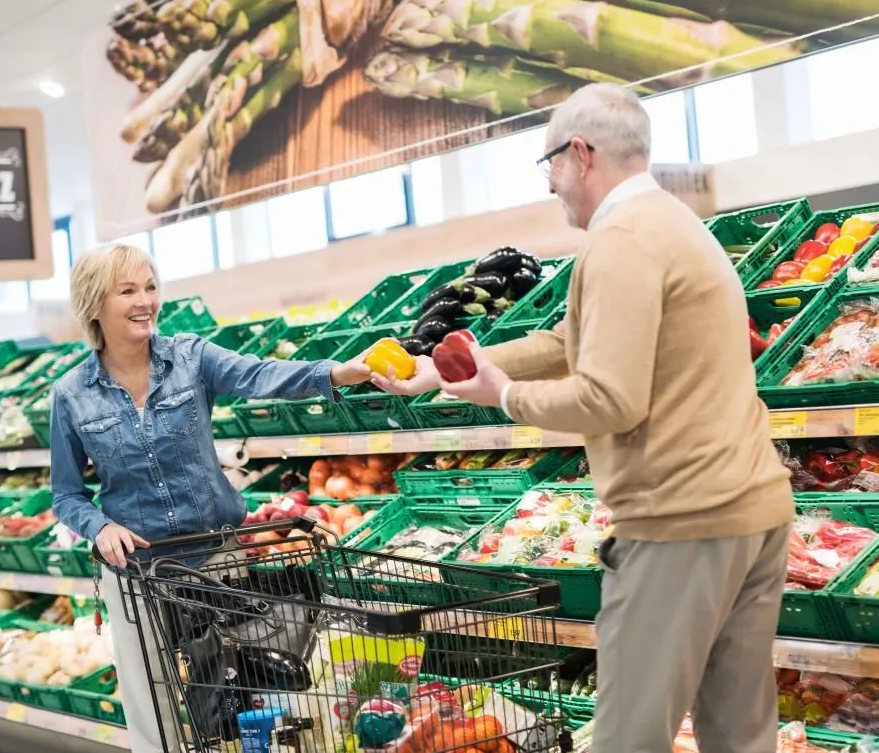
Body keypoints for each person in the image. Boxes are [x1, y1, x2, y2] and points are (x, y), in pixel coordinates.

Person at [374, 84, 794, 752]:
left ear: (578, 153)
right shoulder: (672, 223)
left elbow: (609, 399)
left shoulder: (620, 241)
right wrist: (445, 369)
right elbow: (571, 341)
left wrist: (504, 396)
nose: (550, 187)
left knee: (629, 737)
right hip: (753, 510)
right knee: (738, 733)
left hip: (681, 523)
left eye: (548, 166)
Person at [50, 243, 370, 753]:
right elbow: (67, 494)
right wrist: (100, 527)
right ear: (94, 305)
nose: (144, 301)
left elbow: (259, 374)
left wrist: (336, 373)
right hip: (139, 569)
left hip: (215, 554)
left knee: (232, 689)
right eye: (127, 290)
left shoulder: (191, 358)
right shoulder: (71, 394)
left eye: (150, 287)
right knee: (149, 697)